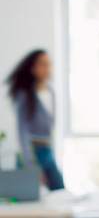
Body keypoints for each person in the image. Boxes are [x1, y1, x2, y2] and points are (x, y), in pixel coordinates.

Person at [6, 49, 65, 191]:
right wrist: (31, 166)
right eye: (42, 64)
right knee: (28, 200)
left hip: (48, 152)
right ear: (32, 68)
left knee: (60, 192)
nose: (47, 68)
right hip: (31, 152)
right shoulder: (24, 95)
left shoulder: (51, 92)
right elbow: (22, 133)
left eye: (48, 64)